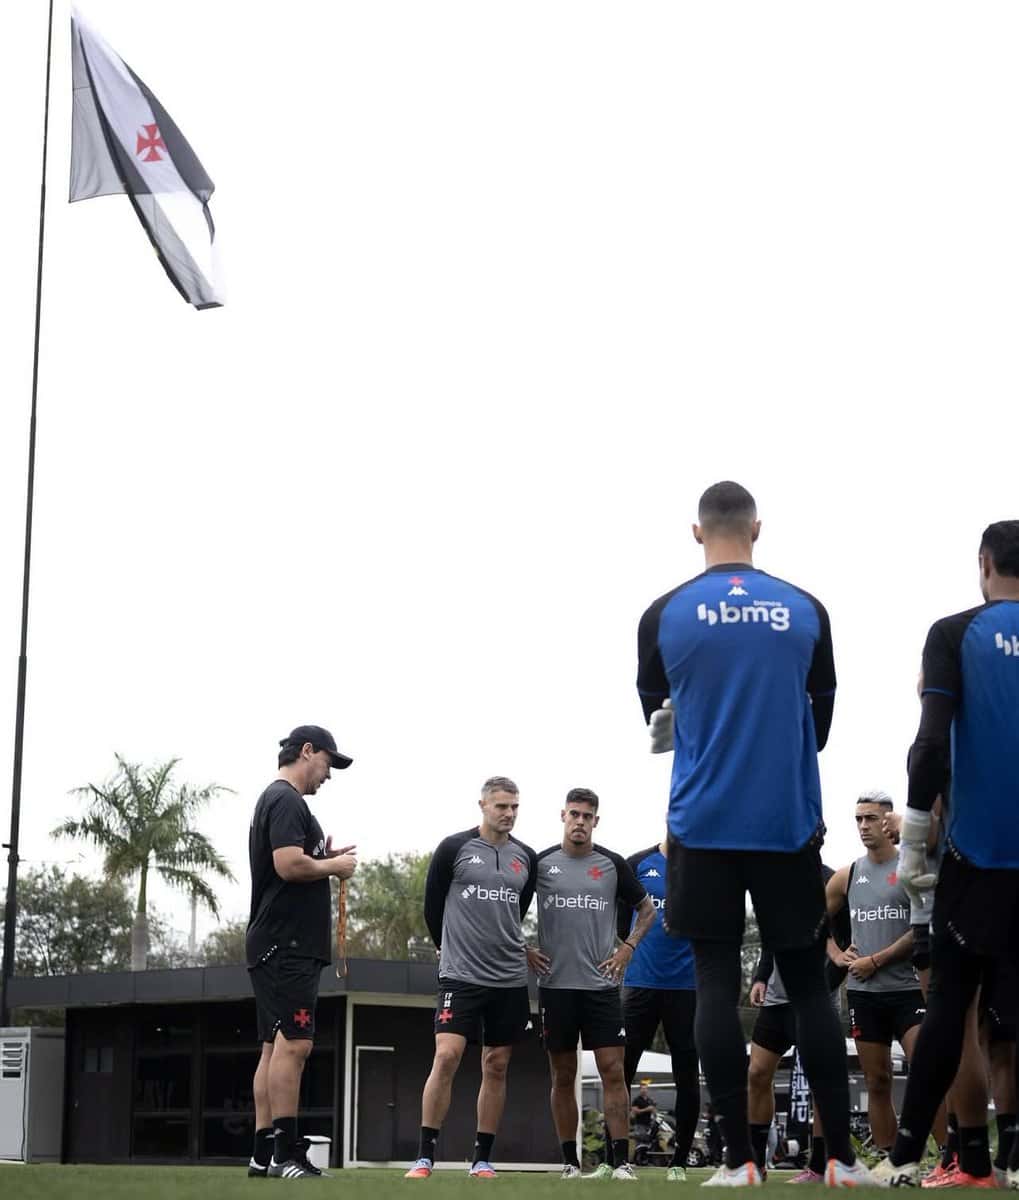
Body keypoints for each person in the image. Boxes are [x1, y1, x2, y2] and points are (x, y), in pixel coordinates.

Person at [637, 480, 869, 1187]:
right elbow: (819, 725)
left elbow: (658, 727)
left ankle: (738, 1160)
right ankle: (840, 1160)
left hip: (701, 825)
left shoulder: (663, 614)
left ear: (696, 531)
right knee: (807, 987)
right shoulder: (805, 609)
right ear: (757, 529)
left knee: (713, 982)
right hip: (785, 822)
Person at [873, 521, 1019, 1188]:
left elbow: (929, 745)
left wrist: (910, 839)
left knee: (951, 1006)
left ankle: (906, 1154)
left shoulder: (954, 633)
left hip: (976, 855)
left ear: (984, 563)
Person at [405, 777, 537, 1180]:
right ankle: (424, 1157)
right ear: (482, 805)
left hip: (509, 979)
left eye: (514, 807)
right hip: (460, 975)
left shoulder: (526, 857)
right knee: (446, 1056)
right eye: (501, 806)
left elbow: (517, 910)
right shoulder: (453, 848)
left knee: (496, 1065)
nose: (509, 813)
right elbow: (432, 907)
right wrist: (444, 946)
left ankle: (482, 1159)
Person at [245, 725, 357, 1179]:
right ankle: (286, 1154)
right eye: (328, 763)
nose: (328, 775)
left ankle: (261, 1156)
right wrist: (334, 866)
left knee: (273, 1047)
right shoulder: (287, 799)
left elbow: (294, 858)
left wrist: (323, 857)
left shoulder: (276, 801)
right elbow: (288, 865)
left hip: (275, 942)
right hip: (287, 944)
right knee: (295, 1044)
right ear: (307, 752)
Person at [528, 787, 655, 1180]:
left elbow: (647, 909)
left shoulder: (613, 864)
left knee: (613, 1072)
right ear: (562, 816)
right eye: (574, 814)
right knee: (563, 1075)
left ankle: (621, 1163)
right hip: (556, 988)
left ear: (596, 821)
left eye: (587, 816)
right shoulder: (541, 863)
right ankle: (569, 1162)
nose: (579, 822)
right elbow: (507, 906)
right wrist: (524, 947)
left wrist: (628, 947)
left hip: (601, 988)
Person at [826, 792, 925, 1155]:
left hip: (910, 989)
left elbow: (921, 929)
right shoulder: (848, 875)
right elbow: (813, 921)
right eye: (859, 819)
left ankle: (949, 1156)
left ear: (888, 821)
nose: (864, 826)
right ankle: (889, 1157)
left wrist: (877, 960)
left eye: (870, 818)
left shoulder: (911, 866)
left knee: (927, 1071)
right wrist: (836, 954)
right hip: (864, 994)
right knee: (877, 1081)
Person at [747, 863, 848, 1182]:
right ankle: (755, 1164)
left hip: (815, 1001)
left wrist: (817, 991)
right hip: (776, 1000)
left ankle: (818, 1166)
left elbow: (845, 947)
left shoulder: (833, 882)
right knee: (757, 1073)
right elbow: (771, 938)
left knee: (820, 1082)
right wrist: (760, 977)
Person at [618, 836, 699, 1182]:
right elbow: (621, 922)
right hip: (640, 984)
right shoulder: (637, 863)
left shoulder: (705, 868)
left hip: (687, 988)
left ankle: (679, 1162)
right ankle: (614, 1160)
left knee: (687, 1075)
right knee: (620, 1071)